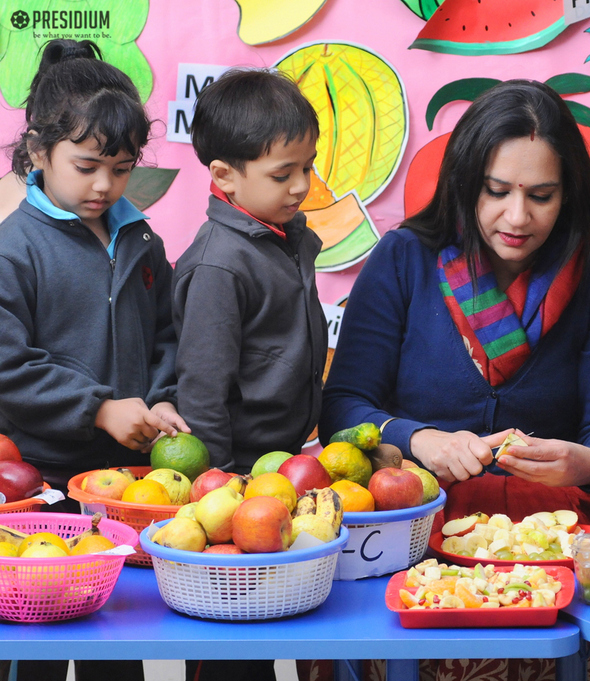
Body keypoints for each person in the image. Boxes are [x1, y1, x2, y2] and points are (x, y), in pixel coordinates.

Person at [320, 79, 590, 680]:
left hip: (550, 545)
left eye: (542, 196)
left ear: (569, 194)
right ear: (466, 183)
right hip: (411, 534)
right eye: (497, 192)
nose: (517, 217)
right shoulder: (404, 259)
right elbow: (343, 407)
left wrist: (588, 464)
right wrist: (420, 440)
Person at [0, 39, 187, 681]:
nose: (104, 184)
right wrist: (98, 407)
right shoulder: (12, 250)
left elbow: (167, 335)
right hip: (39, 486)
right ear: (37, 152)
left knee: (117, 642)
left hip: (127, 488)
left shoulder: (142, 239)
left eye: (121, 167)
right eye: (86, 166)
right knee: (40, 644)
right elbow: (8, 367)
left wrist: (161, 397)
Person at [172, 68, 328, 681]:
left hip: (280, 465)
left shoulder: (287, 236)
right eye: (282, 174)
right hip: (233, 481)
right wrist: (218, 493)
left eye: (307, 167)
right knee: (232, 648)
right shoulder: (219, 264)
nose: (301, 187)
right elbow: (203, 392)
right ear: (224, 176)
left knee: (275, 629)